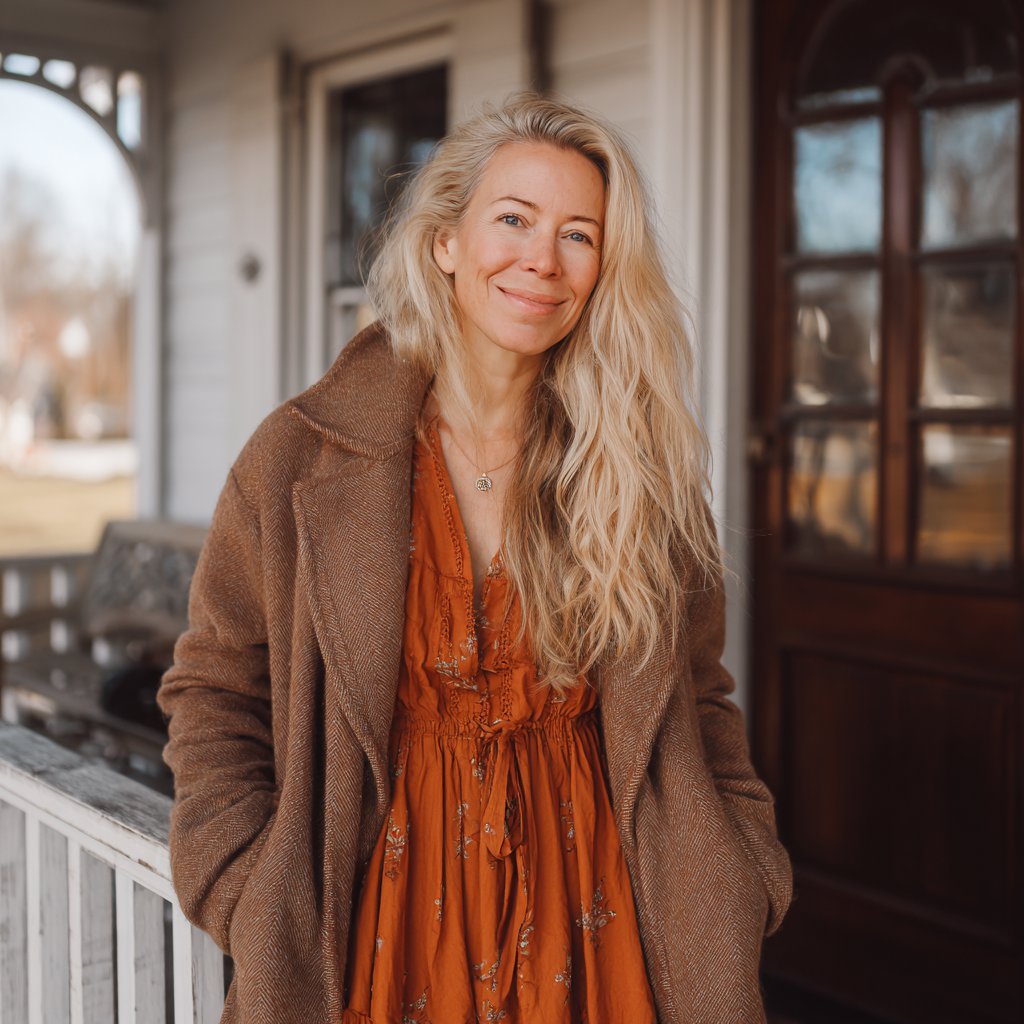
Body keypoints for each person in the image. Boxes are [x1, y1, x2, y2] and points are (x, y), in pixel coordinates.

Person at [157, 92, 793, 1024]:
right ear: (445, 242)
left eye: (580, 234)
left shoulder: (636, 473)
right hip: (378, 934)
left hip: (606, 930)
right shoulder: (299, 457)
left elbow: (699, 697)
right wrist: (243, 888)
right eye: (514, 219)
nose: (543, 258)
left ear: (603, 271)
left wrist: (742, 871)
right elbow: (215, 689)